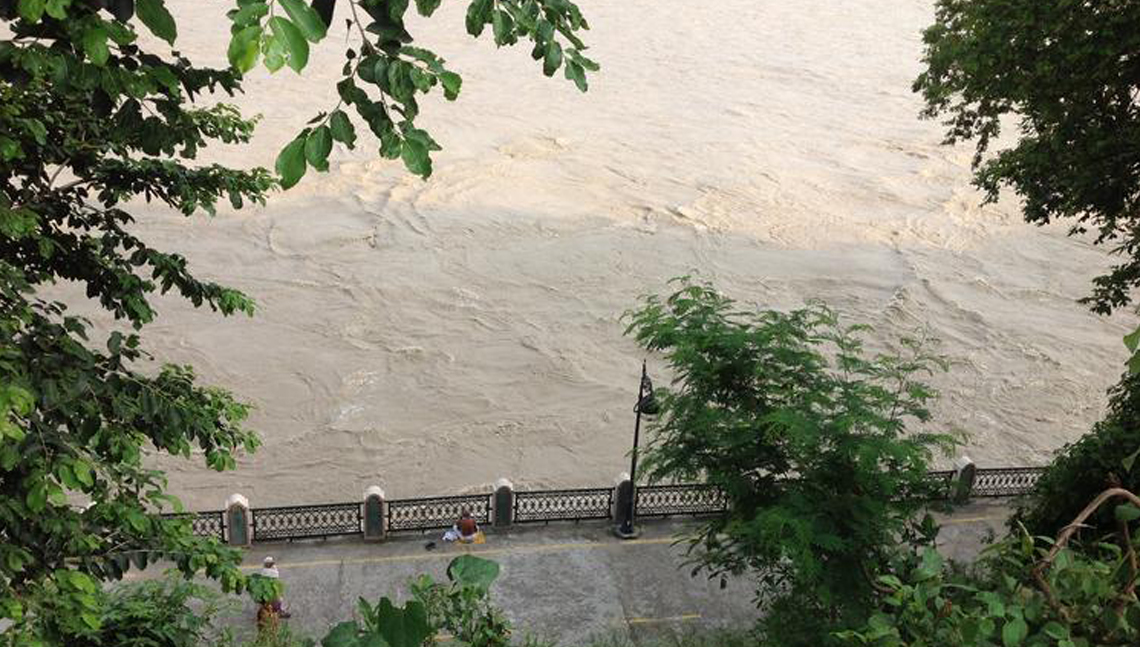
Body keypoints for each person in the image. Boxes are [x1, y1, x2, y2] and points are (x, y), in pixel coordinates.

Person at [258, 556, 291, 620]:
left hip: (265, 595)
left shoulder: (263, 572)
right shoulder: (271, 573)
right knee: (278, 599)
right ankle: (279, 612)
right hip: (271, 595)